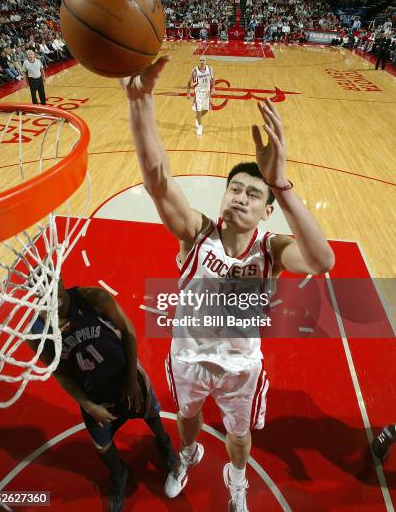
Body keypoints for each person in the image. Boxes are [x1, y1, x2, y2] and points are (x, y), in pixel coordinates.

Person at [120, 57, 335, 511]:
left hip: (240, 366)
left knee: (240, 436)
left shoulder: (272, 249)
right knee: (187, 417)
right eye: (235, 188)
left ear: (266, 209)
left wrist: (281, 183)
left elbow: (322, 259)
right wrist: (140, 105)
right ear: (224, 195)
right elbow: (158, 183)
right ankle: (189, 453)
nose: (241, 196)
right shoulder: (197, 232)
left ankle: (235, 477)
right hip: (188, 355)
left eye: (254, 193)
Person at [29, 278, 176, 512]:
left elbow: (127, 329)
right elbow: (61, 374)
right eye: (41, 293)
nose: (49, 296)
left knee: (153, 417)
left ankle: (165, 446)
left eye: (51, 286)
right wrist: (88, 405)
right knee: (103, 447)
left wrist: (130, 379)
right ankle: (120, 475)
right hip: (94, 396)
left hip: (125, 379)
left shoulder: (92, 298)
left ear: (60, 279)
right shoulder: (36, 331)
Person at [186, 56, 215, 136]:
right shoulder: (195, 70)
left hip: (206, 93)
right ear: (199, 61)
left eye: (203, 60)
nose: (202, 62)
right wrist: (188, 92)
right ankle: (199, 127)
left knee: (206, 110)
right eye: (201, 60)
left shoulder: (209, 69)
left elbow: (213, 79)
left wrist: (213, 88)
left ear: (205, 61)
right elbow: (189, 81)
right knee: (198, 111)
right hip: (198, 93)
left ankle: (197, 118)